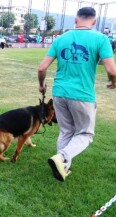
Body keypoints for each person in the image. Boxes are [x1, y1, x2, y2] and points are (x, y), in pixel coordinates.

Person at [37, 7, 116, 182]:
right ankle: (62, 158)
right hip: (82, 94)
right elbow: (112, 69)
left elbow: (42, 67)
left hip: (59, 93)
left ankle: (62, 168)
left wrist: (42, 85)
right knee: (85, 134)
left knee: (66, 131)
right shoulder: (101, 38)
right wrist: (114, 81)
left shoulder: (61, 39)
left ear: (75, 20)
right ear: (94, 21)